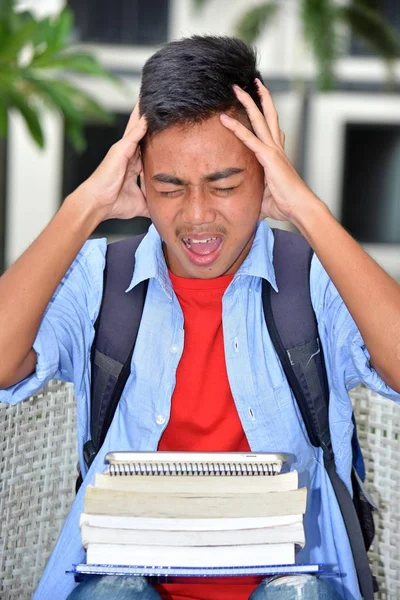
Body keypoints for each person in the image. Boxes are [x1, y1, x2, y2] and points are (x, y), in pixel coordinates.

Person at [0, 35, 399, 600]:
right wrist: (83, 206)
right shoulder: (99, 277)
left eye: (226, 185)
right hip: (124, 581)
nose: (196, 217)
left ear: (266, 172)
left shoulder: (314, 278)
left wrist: (305, 209)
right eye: (169, 186)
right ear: (138, 176)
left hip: (294, 582)